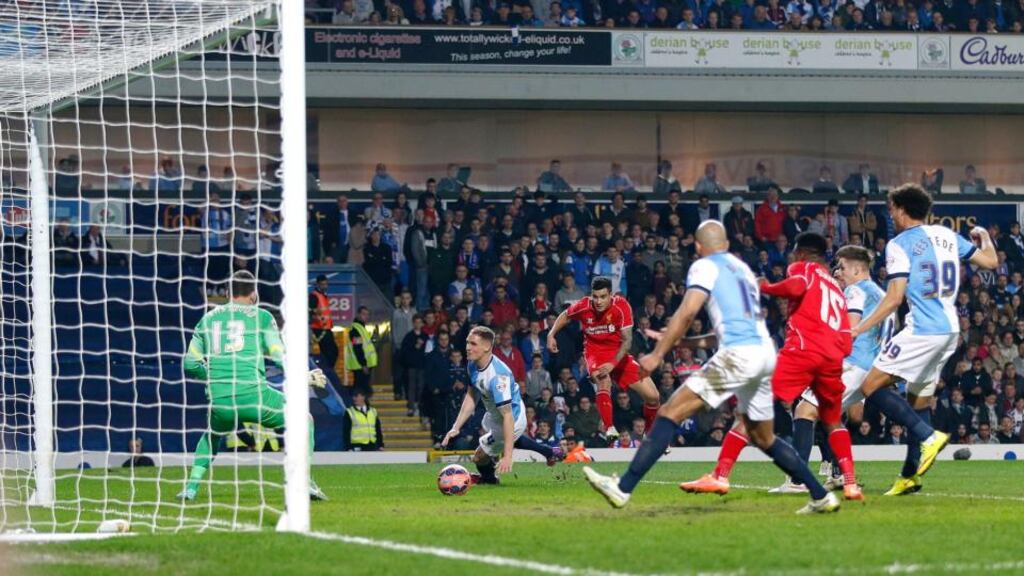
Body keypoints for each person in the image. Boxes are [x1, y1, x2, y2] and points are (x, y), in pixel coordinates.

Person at [582, 221, 839, 514]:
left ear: (699, 247)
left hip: (738, 355)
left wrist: (657, 353)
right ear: (727, 245)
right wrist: (686, 344)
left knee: (669, 412)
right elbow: (726, 328)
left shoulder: (705, 266)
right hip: (765, 354)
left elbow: (688, 310)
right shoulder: (741, 269)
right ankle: (820, 495)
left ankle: (621, 488)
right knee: (762, 436)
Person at [681, 232, 862, 501]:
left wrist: (765, 286)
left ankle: (720, 475)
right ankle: (850, 483)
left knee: (748, 410)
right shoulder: (836, 286)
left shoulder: (804, 268)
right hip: (833, 358)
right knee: (833, 420)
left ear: (801, 252)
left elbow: (797, 286)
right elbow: (846, 334)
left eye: (793, 251)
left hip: (802, 351)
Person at [850, 183, 997, 495]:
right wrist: (984, 237)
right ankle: (909, 475)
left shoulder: (899, 244)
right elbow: (991, 263)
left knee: (869, 386)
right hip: (950, 332)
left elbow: (893, 299)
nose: (891, 216)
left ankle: (930, 437)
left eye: (892, 210)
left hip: (923, 330)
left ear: (902, 211)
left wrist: (858, 328)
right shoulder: (946, 235)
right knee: (918, 402)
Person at [180, 271, 326, 501]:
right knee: (304, 420)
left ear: (228, 293)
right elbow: (278, 355)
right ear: (254, 293)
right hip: (254, 396)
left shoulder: (207, 319)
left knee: (212, 436)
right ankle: (303, 481)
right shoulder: (262, 316)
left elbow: (189, 364)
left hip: (221, 401)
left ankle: (191, 487)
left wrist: (213, 375)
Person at [770, 245, 894, 494]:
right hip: (870, 368)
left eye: (843, 266)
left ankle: (797, 480)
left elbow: (848, 330)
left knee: (805, 411)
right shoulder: (882, 296)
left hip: (850, 364)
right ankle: (838, 474)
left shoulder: (856, 291)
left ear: (858, 268)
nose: (839, 271)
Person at [441, 327, 562, 484]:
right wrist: (456, 427)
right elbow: (472, 396)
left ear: (487, 347)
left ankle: (489, 479)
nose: (468, 347)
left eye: (473, 344)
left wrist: (507, 457)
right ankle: (549, 451)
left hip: (512, 417)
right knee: (507, 439)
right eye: (467, 343)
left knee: (479, 457)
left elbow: (508, 416)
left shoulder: (498, 376)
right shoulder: (472, 364)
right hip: (496, 414)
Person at [546, 277, 661, 440]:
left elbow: (627, 341)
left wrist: (613, 363)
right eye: (595, 296)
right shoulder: (584, 305)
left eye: (603, 296)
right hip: (595, 353)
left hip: (618, 354)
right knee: (603, 380)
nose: (598, 301)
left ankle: (649, 435)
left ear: (611, 295)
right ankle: (609, 428)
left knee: (653, 397)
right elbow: (565, 315)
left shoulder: (621, 306)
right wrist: (551, 334)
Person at [345, 306, 378, 398]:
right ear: (358, 315)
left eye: (367, 314)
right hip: (360, 365)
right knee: (361, 390)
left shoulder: (361, 328)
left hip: (362, 365)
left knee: (362, 389)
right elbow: (358, 348)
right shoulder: (356, 329)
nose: (366, 317)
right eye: (364, 314)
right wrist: (363, 364)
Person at [309, 275, 338, 376]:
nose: (325, 286)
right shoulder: (314, 296)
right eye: (323, 284)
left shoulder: (323, 295)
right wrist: (315, 312)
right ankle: (326, 371)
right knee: (329, 352)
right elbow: (309, 310)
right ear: (317, 284)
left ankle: (327, 370)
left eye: (326, 284)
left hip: (326, 328)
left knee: (332, 351)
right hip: (320, 328)